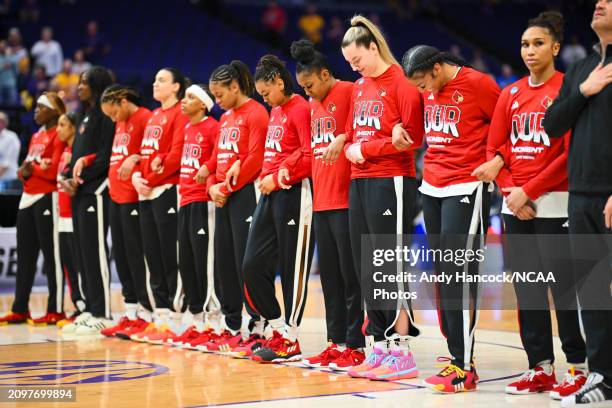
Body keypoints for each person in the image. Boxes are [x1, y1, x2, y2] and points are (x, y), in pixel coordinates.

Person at [473, 12, 588, 400]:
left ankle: (579, 367)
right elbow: (494, 149)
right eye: (525, 44)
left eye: (538, 43)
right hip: (514, 204)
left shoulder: (569, 89)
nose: (530, 51)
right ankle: (539, 366)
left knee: (566, 290)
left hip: (555, 203)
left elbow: (570, 154)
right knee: (529, 291)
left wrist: (530, 191)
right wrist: (511, 192)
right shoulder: (511, 93)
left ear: (555, 47)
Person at [400, 44, 500, 392]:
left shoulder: (480, 85)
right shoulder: (427, 90)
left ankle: (463, 365)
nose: (422, 91)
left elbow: (503, 129)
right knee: (444, 276)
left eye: (423, 83)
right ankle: (457, 354)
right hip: (432, 188)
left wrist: (496, 161)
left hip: (468, 187)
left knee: (460, 273)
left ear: (438, 68)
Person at [339, 15, 424, 381]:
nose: (355, 67)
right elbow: (351, 131)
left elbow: (413, 138)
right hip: (359, 180)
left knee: (391, 262)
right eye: (349, 64)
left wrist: (367, 149)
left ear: (373, 47)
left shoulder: (403, 84)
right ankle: (378, 346)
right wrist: (344, 145)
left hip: (392, 181)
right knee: (367, 264)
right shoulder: (360, 87)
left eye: (357, 59)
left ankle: (401, 349)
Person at [543, 1, 612, 405]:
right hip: (581, 194)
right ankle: (603, 376)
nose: (599, 3)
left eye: (608, 0)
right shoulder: (583, 68)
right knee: (592, 291)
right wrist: (584, 92)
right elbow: (553, 125)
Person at [290, 39, 365, 371]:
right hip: (321, 201)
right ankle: (335, 343)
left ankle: (356, 345)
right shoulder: (312, 106)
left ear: (324, 74)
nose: (307, 93)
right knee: (331, 280)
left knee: (352, 279)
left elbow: (363, 130)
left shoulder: (350, 91)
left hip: (348, 200)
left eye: (309, 86)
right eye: (302, 89)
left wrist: (344, 137)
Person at [242, 54, 314, 364]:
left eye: (266, 93)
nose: (265, 99)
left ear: (280, 83)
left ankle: (291, 338)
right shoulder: (277, 110)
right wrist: (266, 177)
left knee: (292, 269)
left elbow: (311, 154)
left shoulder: (301, 109)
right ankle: (276, 325)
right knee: (251, 265)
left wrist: (281, 175)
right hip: (269, 193)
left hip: (295, 193)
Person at [196, 61, 268, 356]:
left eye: (219, 94)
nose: (216, 101)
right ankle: (231, 326)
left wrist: (225, 188)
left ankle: (258, 326)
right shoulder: (225, 118)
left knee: (245, 263)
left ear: (235, 87)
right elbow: (217, 158)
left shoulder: (256, 113)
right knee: (224, 261)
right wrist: (211, 185)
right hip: (224, 196)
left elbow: (255, 158)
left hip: (245, 196)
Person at [129, 68, 189, 343]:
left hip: (167, 190)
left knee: (169, 255)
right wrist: (138, 175)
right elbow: (146, 153)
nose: (155, 84)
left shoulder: (180, 113)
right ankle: (161, 313)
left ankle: (178, 317)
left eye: (162, 80)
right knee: (151, 254)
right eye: (153, 79)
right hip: (148, 190)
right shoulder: (154, 115)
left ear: (176, 87)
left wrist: (150, 179)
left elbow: (176, 155)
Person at [0, 93, 66, 325]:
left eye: (40, 108)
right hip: (27, 196)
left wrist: (33, 169)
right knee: (25, 257)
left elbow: (54, 170)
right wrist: (28, 169)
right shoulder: (36, 135)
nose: (35, 111)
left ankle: (55, 309)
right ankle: (20, 308)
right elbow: (25, 169)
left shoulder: (59, 134)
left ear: (54, 111)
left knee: (52, 256)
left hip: (48, 197)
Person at [163, 83, 219, 347]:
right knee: (186, 261)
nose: (183, 102)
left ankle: (212, 319)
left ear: (203, 104)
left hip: (202, 200)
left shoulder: (213, 127)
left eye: (189, 97)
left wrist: (208, 170)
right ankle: (196, 318)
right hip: (184, 199)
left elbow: (219, 158)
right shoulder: (186, 129)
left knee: (203, 262)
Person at [61, 66, 115, 335]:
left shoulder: (105, 117)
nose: (79, 87)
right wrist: (70, 179)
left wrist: (80, 180)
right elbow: (77, 157)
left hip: (96, 192)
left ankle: (104, 312)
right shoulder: (84, 117)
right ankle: (91, 309)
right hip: (79, 193)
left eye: (84, 82)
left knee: (96, 252)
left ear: (96, 84)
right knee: (83, 253)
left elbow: (105, 158)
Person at [98, 85, 154, 339]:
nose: (112, 119)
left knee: (136, 256)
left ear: (122, 101)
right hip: (115, 197)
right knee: (120, 255)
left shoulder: (145, 118)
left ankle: (147, 312)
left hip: (134, 198)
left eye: (113, 113)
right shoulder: (120, 123)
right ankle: (131, 312)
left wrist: (137, 158)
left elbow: (155, 152)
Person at [53, 112, 87, 328]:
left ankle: (85, 305)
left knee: (79, 264)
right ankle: (76, 304)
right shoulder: (65, 151)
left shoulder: (78, 152)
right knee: (69, 266)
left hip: (75, 215)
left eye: (63, 125)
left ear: (74, 128)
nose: (58, 129)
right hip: (62, 215)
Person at [0, 112, 20, 182]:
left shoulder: (11, 137)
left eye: (1, 121)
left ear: (5, 123)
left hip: (8, 179)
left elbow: (7, 163)